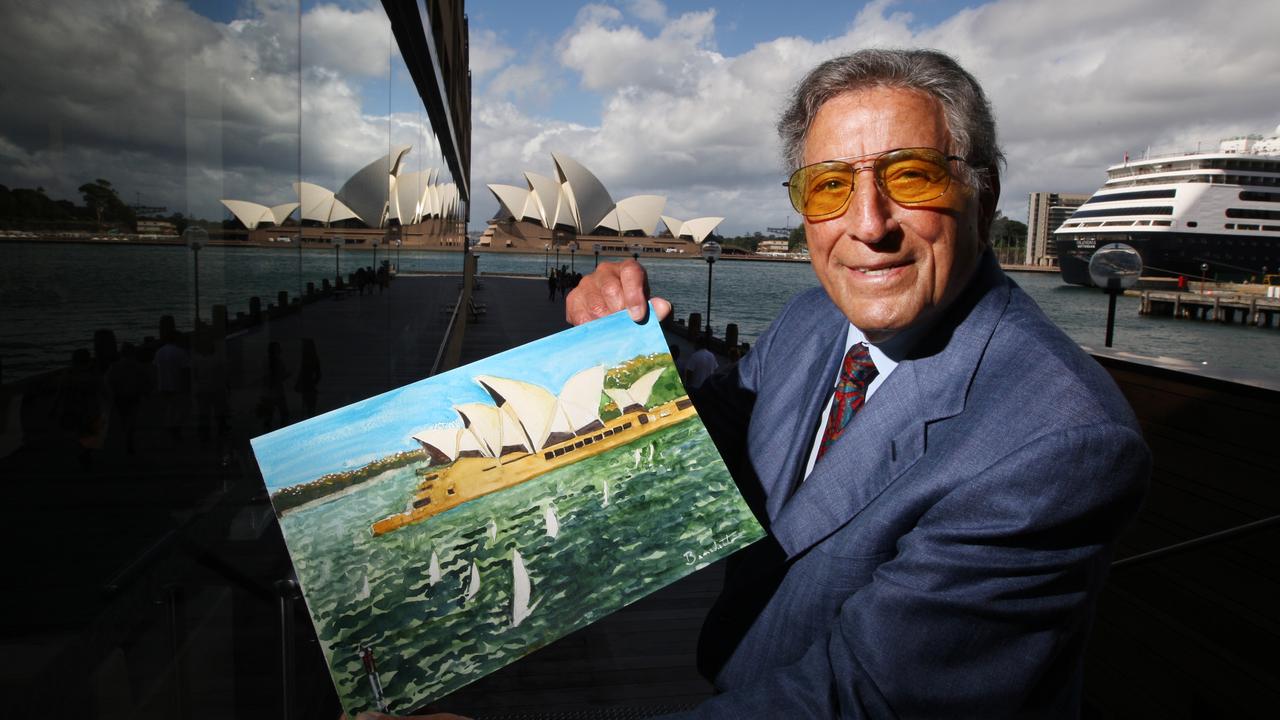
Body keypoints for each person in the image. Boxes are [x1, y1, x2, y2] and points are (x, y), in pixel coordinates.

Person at [564, 49, 1149, 717]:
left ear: (981, 198)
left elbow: (864, 700)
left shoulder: (1059, 444)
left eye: (912, 176)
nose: (869, 224)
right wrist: (622, 350)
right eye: (829, 186)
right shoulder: (814, 318)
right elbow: (714, 438)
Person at [295, 337, 323, 418]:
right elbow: (318, 374)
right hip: (308, 387)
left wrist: (311, 384)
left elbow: (318, 374)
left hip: (308, 387)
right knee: (309, 409)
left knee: (309, 409)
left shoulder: (308, 358)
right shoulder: (309, 358)